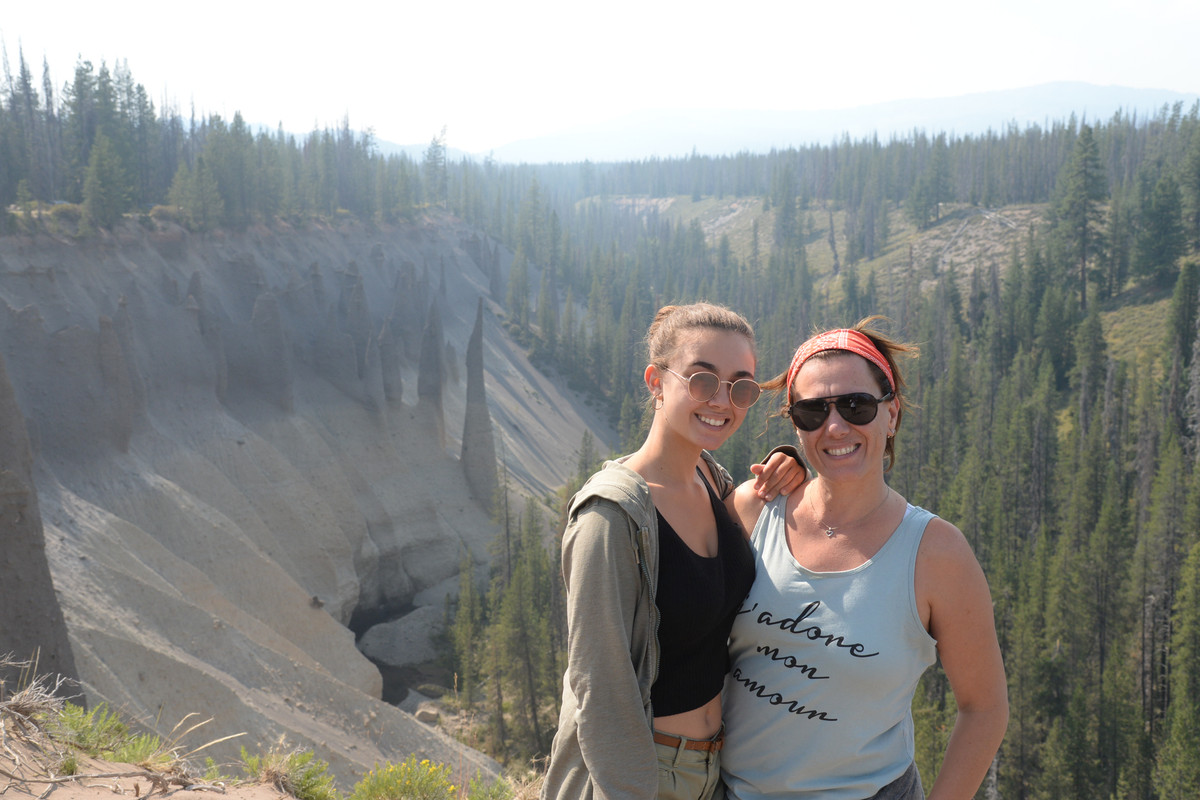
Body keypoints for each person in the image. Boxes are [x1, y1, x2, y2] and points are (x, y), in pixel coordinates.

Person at [721, 318, 1008, 800]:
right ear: (795, 422)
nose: (835, 426)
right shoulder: (753, 512)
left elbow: (985, 708)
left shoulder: (936, 554)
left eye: (856, 405)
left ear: (891, 414)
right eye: (812, 411)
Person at [541, 302, 805, 800]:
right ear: (656, 381)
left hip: (718, 768)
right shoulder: (611, 516)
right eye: (702, 379)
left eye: (741, 386)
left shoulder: (710, 479)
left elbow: (742, 530)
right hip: (644, 773)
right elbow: (601, 686)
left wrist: (789, 466)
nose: (722, 400)